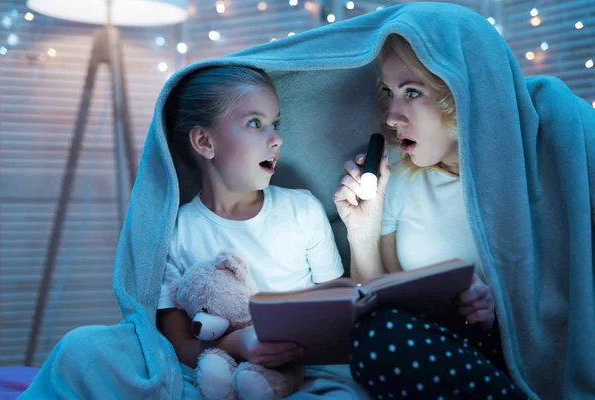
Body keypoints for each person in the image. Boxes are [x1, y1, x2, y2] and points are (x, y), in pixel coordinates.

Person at [333, 34, 527, 399]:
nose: (392, 117)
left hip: (508, 353)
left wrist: (493, 315)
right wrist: (362, 231)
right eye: (389, 93)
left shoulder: (518, 176)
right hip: (433, 349)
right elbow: (377, 306)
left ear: (458, 95)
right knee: (373, 338)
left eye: (411, 92)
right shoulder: (401, 179)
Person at [158, 65, 345, 398]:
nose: (277, 138)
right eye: (255, 123)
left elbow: (336, 308)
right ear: (204, 141)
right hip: (215, 373)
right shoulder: (177, 232)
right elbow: (179, 345)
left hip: (301, 373)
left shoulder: (302, 210)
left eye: (276, 123)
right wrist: (236, 344)